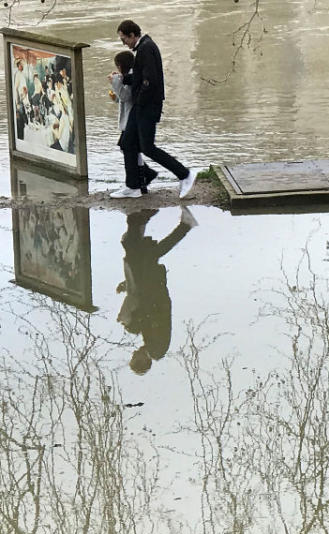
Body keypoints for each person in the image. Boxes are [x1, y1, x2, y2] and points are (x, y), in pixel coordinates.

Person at [111, 20, 197, 200]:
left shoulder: (146, 49)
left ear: (133, 35)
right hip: (141, 106)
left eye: (124, 39)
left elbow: (150, 81)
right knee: (127, 144)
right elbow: (141, 76)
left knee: (147, 148)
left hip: (146, 107)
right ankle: (133, 186)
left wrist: (140, 102)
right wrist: (123, 79)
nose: (123, 43)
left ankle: (185, 175)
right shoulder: (144, 48)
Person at [116, 206, 198, 374]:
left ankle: (140, 218)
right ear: (143, 361)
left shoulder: (152, 347)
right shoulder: (157, 349)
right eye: (134, 357)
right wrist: (132, 323)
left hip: (150, 291)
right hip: (153, 292)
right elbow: (154, 315)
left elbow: (147, 316)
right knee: (139, 253)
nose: (133, 352)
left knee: (138, 253)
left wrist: (129, 285)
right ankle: (138, 218)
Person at [110, 50, 158, 194]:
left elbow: (126, 96)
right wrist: (116, 96)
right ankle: (144, 177)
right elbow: (122, 97)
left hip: (133, 119)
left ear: (121, 65)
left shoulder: (132, 76)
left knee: (128, 146)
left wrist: (115, 82)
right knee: (130, 148)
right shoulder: (129, 75)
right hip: (130, 118)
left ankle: (140, 179)